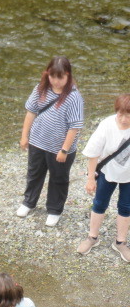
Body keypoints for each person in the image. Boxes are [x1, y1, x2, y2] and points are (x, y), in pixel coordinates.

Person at [17, 56, 84, 227]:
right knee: (34, 174)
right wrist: (25, 136)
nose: (56, 81)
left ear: (67, 75)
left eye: (60, 77)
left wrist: (64, 150)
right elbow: (31, 112)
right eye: (52, 76)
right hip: (38, 142)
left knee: (58, 178)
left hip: (59, 148)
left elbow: (74, 127)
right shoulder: (40, 89)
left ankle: (54, 210)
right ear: (47, 74)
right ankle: (28, 202)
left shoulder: (74, 97)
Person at [77, 94, 130, 261]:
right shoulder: (107, 125)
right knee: (100, 203)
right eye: (120, 114)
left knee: (126, 207)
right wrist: (90, 179)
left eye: (128, 115)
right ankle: (92, 237)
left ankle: (120, 242)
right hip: (107, 172)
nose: (123, 119)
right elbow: (93, 153)